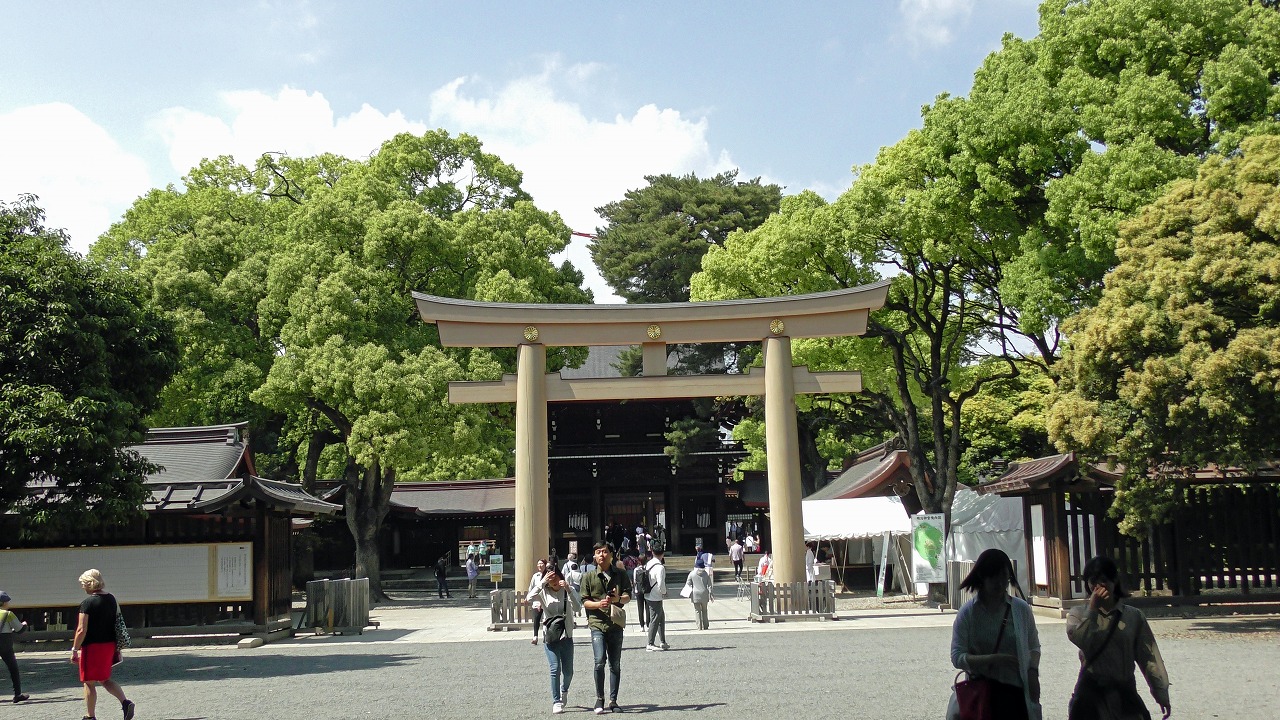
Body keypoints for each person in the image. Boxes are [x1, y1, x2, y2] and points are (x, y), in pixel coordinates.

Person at [1066, 556, 1171, 720]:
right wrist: (1092, 610)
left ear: (1114, 581)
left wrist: (1160, 691)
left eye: (1104, 580)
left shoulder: (1133, 616)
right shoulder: (1077, 614)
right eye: (1093, 581)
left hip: (1124, 693)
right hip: (1092, 695)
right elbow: (1081, 640)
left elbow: (1149, 656)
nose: (1099, 586)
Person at [949, 548, 1041, 720]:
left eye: (1004, 577)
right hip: (983, 693)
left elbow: (1034, 647)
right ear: (982, 577)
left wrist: (1033, 672)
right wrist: (994, 659)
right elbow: (957, 657)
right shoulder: (968, 613)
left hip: (1016, 692)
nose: (1000, 583)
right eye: (994, 577)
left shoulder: (1020, 609)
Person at [71, 569, 135, 720]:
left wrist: (74, 649)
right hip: (109, 645)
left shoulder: (87, 603)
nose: (82, 586)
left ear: (89, 583)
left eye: (83, 583)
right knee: (104, 679)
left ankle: (90, 716)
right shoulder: (111, 599)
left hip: (92, 647)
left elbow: (81, 630)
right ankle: (125, 702)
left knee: (88, 683)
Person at [580, 541, 630, 714]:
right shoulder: (588, 576)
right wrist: (598, 604)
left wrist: (617, 599)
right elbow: (584, 601)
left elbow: (628, 596)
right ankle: (599, 698)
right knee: (599, 660)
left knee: (615, 663)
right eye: (598, 552)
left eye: (605, 551)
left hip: (615, 623)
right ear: (594, 556)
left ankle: (613, 700)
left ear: (611, 554)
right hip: (597, 623)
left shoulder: (621, 574)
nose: (602, 555)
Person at [530, 565, 582, 714]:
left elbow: (578, 608)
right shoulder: (543, 591)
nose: (553, 581)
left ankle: (564, 689)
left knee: (568, 672)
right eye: (549, 579)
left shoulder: (567, 589)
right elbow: (529, 597)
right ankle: (556, 701)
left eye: (555, 577)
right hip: (551, 635)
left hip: (566, 635)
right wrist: (541, 583)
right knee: (555, 668)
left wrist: (568, 589)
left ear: (560, 576)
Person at [0, 591, 28, 703]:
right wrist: (24, 625)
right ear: (3, 602)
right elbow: (19, 629)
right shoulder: (8, 614)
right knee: (13, 669)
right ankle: (17, 694)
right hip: (5, 644)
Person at [642, 548, 668, 651]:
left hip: (647, 592)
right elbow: (661, 582)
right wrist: (664, 592)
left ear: (652, 553)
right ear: (663, 554)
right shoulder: (660, 567)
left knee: (660, 617)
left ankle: (663, 641)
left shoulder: (649, 563)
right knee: (655, 618)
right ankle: (650, 643)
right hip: (655, 595)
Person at [684, 555, 714, 630]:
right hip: (704, 593)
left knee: (697, 610)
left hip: (695, 594)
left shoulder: (692, 574)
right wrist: (711, 593)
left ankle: (699, 626)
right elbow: (710, 585)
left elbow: (688, 583)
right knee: (704, 610)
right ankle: (706, 625)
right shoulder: (706, 574)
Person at [631, 558, 649, 633]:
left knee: (640, 608)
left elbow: (634, 581)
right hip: (647, 591)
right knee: (648, 608)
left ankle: (642, 626)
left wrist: (635, 590)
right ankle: (648, 625)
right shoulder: (647, 569)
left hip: (638, 591)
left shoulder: (636, 569)